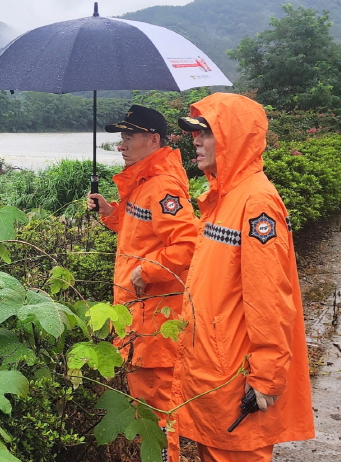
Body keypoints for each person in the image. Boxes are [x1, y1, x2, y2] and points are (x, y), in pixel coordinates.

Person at [172, 93, 315, 461]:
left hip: (234, 372)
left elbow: (268, 296)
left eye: (205, 133)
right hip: (214, 366)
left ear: (232, 136)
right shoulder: (222, 196)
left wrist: (266, 377)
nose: (196, 142)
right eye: (194, 134)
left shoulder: (255, 203)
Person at [88, 104, 198, 462]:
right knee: (144, 413)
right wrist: (110, 212)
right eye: (121, 137)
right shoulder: (142, 180)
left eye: (129, 137)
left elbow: (186, 244)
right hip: (138, 318)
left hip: (155, 323)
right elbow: (140, 231)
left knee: (158, 415)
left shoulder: (162, 186)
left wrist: (147, 272)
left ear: (152, 140)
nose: (121, 145)